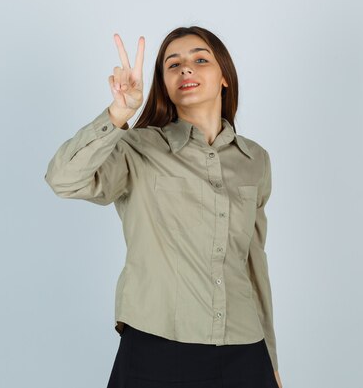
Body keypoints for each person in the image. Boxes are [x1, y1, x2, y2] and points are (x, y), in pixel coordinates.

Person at [44, 26, 283, 388]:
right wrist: (118, 113)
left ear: (224, 78)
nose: (186, 69)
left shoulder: (255, 160)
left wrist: (272, 361)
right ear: (164, 84)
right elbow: (63, 178)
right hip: (157, 350)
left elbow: (254, 266)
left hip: (244, 351)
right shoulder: (137, 148)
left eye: (200, 60)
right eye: (173, 65)